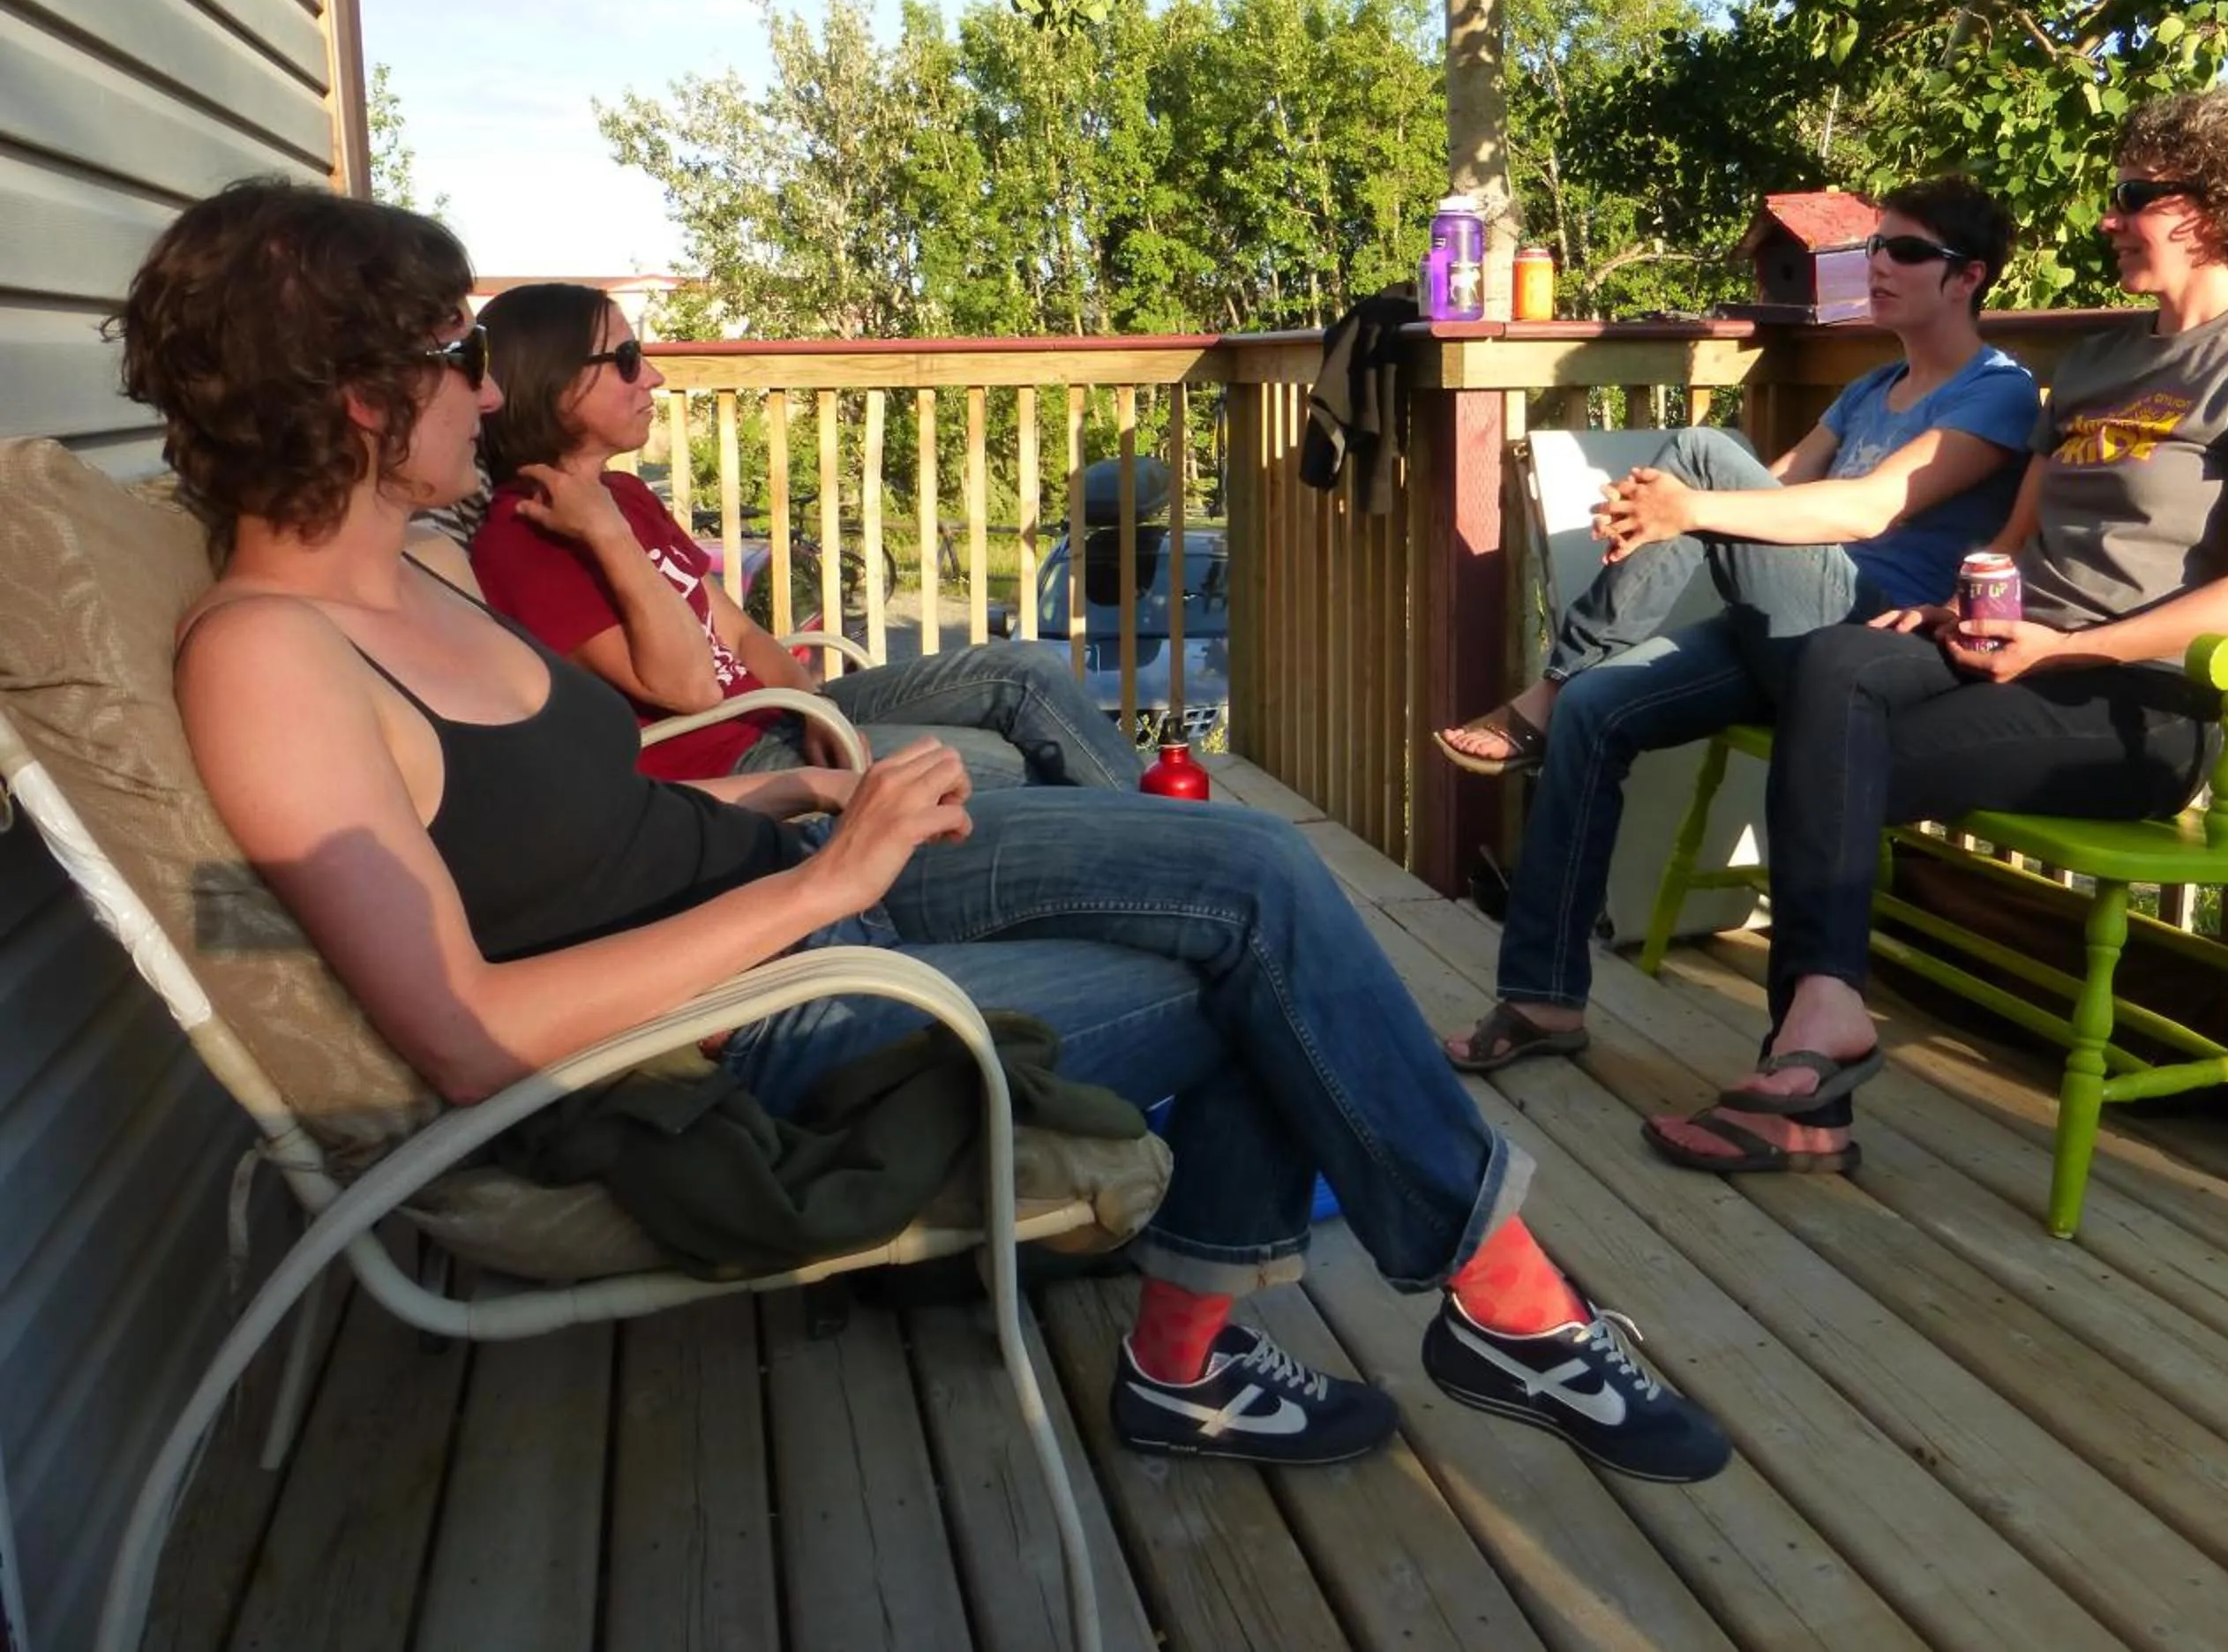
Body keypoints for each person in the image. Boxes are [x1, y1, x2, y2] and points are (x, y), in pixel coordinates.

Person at [120, 179, 1729, 1483]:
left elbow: (567, 812)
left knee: (1259, 867)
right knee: (1273, 962)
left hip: (783, 882)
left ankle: (1308, 1341)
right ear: (359, 398)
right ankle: (1474, 1305)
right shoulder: (274, 664)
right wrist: (832, 875)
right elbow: (470, 1039)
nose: (489, 390)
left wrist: (792, 794)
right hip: (740, 1030)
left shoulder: (420, 570)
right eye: (457, 359)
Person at [1640, 86, 2228, 1174]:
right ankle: (1819, 1034)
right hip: (2014, 660)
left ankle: (1805, 1085)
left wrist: (2061, 649)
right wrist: (1962, 599)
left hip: (2142, 707)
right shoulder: (2101, 361)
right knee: (1837, 660)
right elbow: (2015, 537)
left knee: (1834, 757)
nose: (2110, 220)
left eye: (2132, 197)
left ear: (2215, 206)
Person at [1436, 176, 2040, 1073]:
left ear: (1968, 278)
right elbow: (1779, 489)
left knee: (1702, 452)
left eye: (1907, 251)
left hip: (1866, 642)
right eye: (1874, 247)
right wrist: (1662, 511)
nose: (1880, 265)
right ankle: (1541, 999)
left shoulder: (2000, 394)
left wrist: (1686, 502)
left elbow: (1866, 511)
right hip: (1785, 623)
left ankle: (1548, 687)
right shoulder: (1872, 388)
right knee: (1603, 708)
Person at [464, 282, 1137, 794]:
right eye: (629, 359)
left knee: (1024, 670)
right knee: (1011, 765)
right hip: (728, 762)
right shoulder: (523, 537)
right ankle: (1176, 842)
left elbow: (742, 634)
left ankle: (1168, 823)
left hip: (775, 708)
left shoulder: (625, 495)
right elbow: (693, 689)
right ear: (552, 382)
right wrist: (608, 537)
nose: (656, 378)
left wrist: (817, 705)